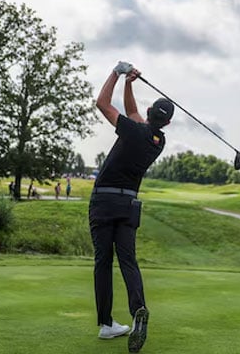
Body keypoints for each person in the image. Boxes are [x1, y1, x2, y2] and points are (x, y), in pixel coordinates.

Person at [88, 61, 174, 352]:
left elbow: (102, 103)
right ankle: (138, 308)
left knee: (103, 260)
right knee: (128, 260)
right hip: (129, 205)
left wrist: (116, 72)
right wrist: (129, 83)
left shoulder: (132, 129)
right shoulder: (157, 140)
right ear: (167, 123)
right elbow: (133, 113)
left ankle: (106, 324)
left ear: (150, 113)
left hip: (104, 201)